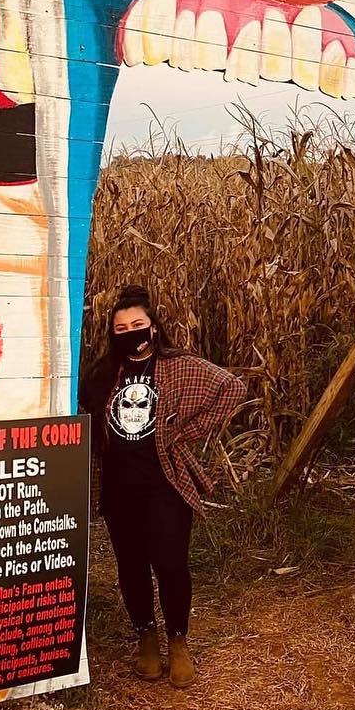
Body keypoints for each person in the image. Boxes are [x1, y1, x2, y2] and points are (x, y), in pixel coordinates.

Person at [78, 285, 247, 687]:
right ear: (113, 333)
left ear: (153, 328)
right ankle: (146, 638)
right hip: (119, 487)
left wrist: (189, 430)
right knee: (131, 568)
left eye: (138, 324)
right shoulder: (103, 374)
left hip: (164, 484)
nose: (131, 332)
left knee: (170, 564)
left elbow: (232, 388)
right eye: (122, 328)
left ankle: (179, 642)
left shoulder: (178, 366)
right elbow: (82, 411)